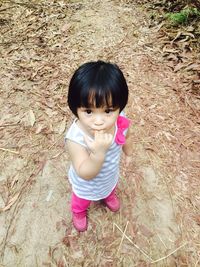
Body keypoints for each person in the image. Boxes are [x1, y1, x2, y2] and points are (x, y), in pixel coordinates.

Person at [65, 60, 133, 231]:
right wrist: (98, 154)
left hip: (109, 174)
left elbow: (126, 136)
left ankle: (107, 195)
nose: (99, 120)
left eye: (108, 111)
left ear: (119, 107)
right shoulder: (76, 138)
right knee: (81, 199)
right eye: (88, 111)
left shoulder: (120, 120)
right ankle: (79, 211)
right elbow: (84, 172)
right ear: (76, 109)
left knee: (110, 186)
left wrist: (129, 153)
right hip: (86, 184)